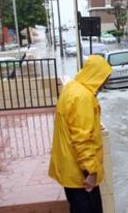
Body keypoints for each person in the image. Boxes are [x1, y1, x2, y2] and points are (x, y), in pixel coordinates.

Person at [49, 55, 112, 213]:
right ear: (97, 75)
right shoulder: (82, 98)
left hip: (69, 169)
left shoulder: (72, 88)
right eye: (106, 77)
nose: (107, 82)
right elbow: (82, 138)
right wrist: (91, 172)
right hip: (81, 176)